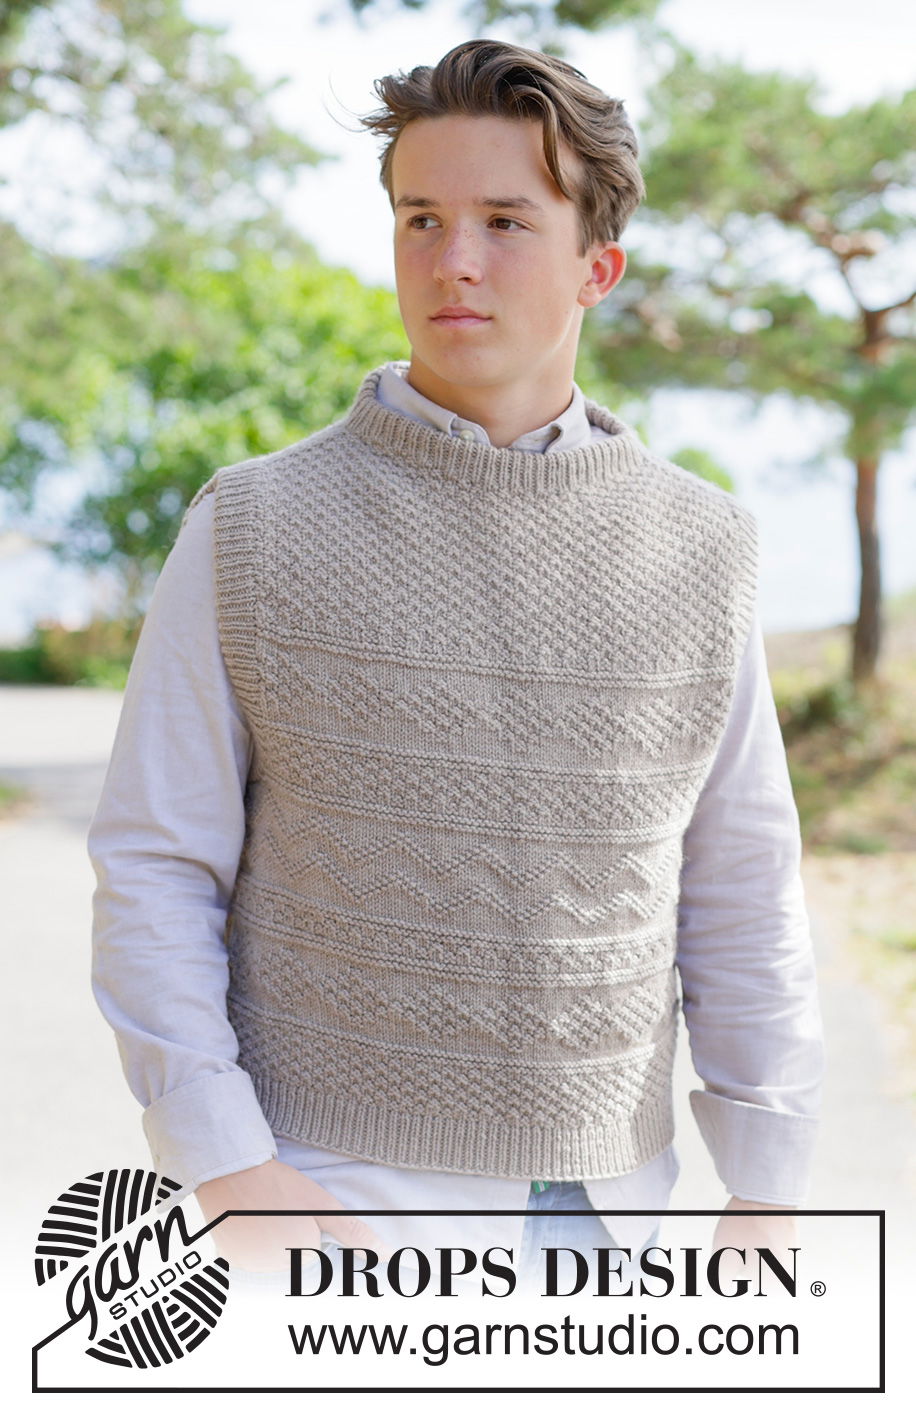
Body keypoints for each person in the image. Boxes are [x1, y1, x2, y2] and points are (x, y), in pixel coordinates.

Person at [89, 39, 823, 1284]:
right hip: (328, 1203)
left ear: (598, 267)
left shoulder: (704, 545)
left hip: (613, 1216)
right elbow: (156, 862)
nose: (453, 261)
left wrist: (770, 1185)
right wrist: (225, 1163)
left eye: (504, 221)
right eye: (420, 219)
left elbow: (741, 881)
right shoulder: (253, 524)